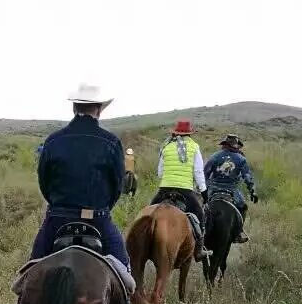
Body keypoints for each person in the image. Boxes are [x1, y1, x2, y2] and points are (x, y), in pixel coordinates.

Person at [30, 83, 130, 269]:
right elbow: (117, 186)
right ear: (99, 110)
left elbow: (44, 181)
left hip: (58, 217)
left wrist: (59, 205)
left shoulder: (53, 140)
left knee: (29, 273)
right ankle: (126, 299)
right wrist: (102, 208)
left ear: (74, 107)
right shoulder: (111, 141)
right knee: (124, 272)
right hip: (97, 218)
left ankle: (22, 298)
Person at [150, 119, 207, 258]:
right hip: (185, 190)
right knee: (200, 215)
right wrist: (204, 192)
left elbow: (160, 173)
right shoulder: (194, 147)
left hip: (164, 189)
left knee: (148, 214)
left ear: (175, 133)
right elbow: (198, 172)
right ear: (190, 134)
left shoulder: (166, 146)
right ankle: (199, 250)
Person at [204, 133, 257, 242]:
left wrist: (203, 188)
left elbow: (205, 173)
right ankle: (238, 232)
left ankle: (200, 231)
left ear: (224, 144)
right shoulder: (241, 159)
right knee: (243, 206)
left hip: (213, 189)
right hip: (232, 190)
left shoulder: (214, 156)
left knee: (202, 205)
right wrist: (252, 191)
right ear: (236, 146)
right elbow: (247, 177)